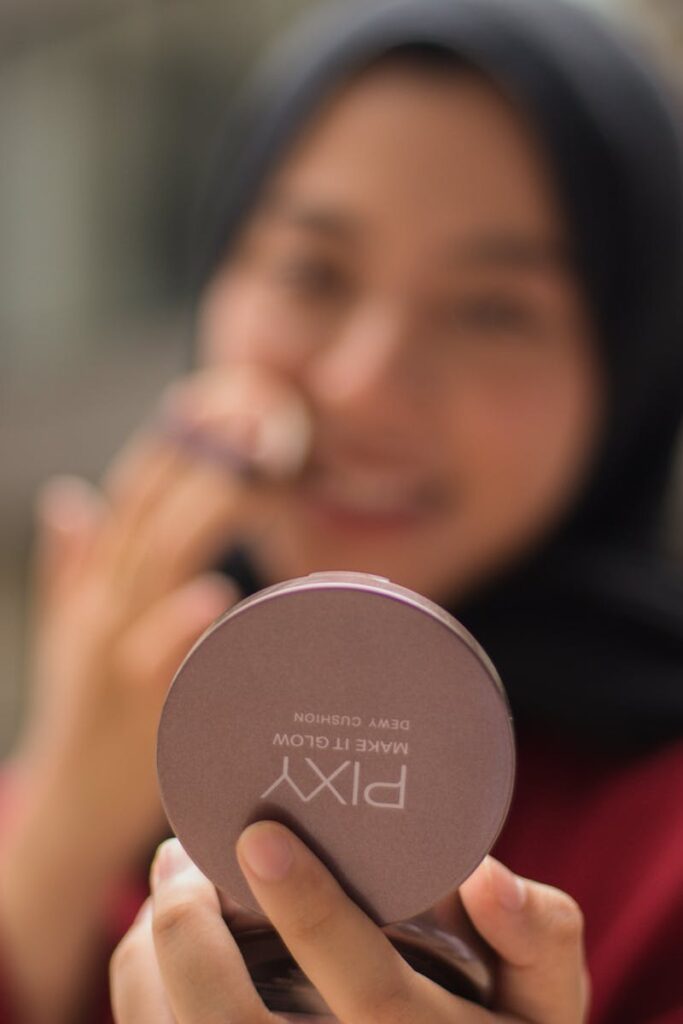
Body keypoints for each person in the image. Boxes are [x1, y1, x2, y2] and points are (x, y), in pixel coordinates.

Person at [1, 0, 682, 1020]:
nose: (363, 384)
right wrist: (57, 822)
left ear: (629, 374)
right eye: (312, 271)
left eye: (492, 308)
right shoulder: (112, 718)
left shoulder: (659, 842)